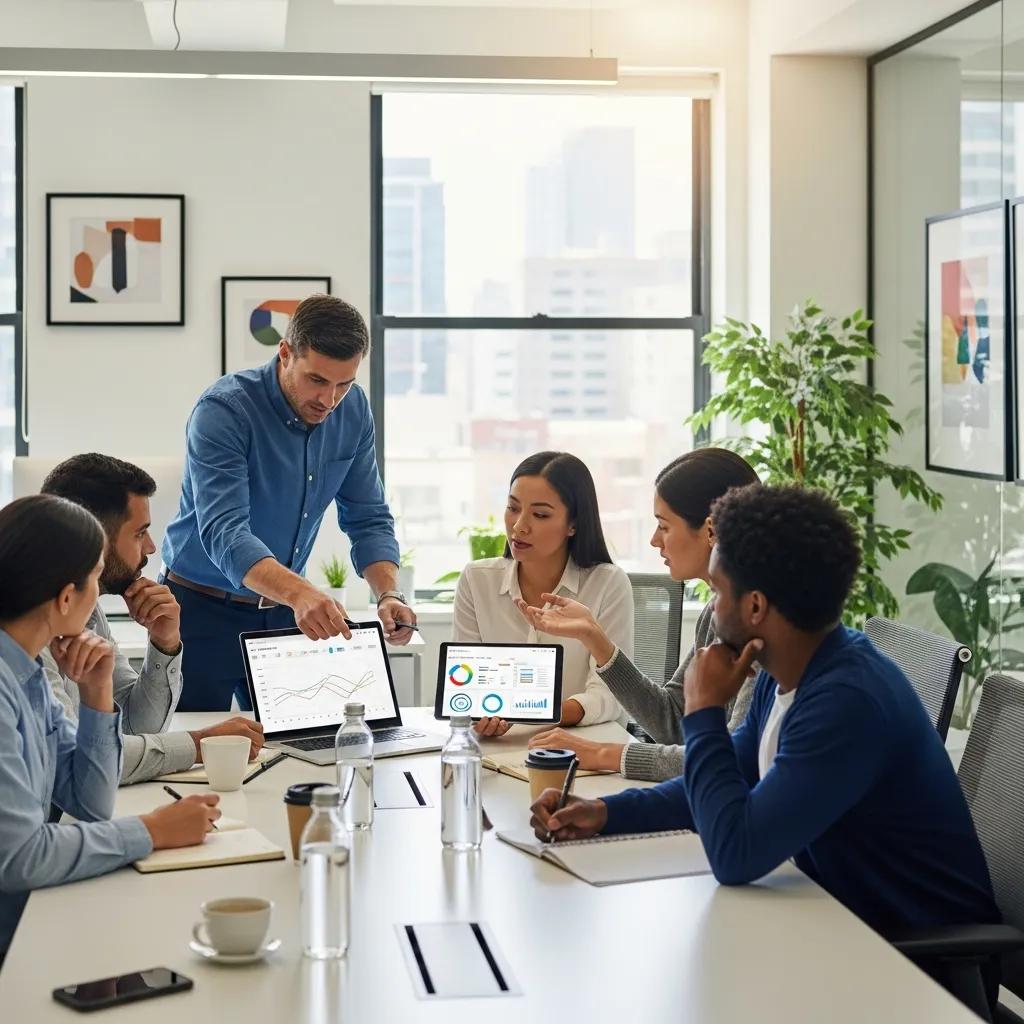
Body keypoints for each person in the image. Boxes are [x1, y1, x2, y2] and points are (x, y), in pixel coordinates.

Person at [530, 484, 999, 939]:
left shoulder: (847, 702)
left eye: (716, 589)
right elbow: (723, 774)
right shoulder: (784, 669)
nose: (711, 606)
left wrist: (704, 710)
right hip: (835, 918)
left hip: (916, 966)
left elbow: (737, 855)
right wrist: (604, 813)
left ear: (755, 606)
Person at [161, 295, 416, 711]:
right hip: (198, 612)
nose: (329, 399)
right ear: (285, 353)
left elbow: (368, 516)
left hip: (282, 612)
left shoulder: (352, 411)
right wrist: (301, 593)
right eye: (317, 380)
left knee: (301, 743)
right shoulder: (224, 410)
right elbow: (225, 532)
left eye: (343, 383)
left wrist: (389, 594)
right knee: (192, 754)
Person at [0, 495, 221, 959]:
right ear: (66, 598)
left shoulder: (29, 674)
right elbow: (21, 858)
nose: (99, 596)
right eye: (95, 580)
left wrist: (97, 693)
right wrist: (153, 830)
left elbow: (90, 802)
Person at [518, 448, 759, 780]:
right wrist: (595, 639)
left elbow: (733, 760)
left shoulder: (762, 623)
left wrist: (606, 754)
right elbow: (674, 721)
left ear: (710, 531)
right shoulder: (716, 612)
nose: (653, 540)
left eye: (664, 526)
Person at [39, 454, 264, 784]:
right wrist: (200, 745)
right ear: (94, 538)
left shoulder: (88, 611)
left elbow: (134, 726)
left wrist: (164, 642)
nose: (151, 547)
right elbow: (75, 761)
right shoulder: (26, 631)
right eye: (139, 533)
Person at [452, 451, 633, 733]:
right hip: (500, 746)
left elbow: (611, 697)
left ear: (573, 524)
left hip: (586, 743)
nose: (519, 525)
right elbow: (466, 685)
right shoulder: (477, 580)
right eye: (513, 508)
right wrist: (483, 714)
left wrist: (533, 714)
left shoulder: (608, 584)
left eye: (540, 514)